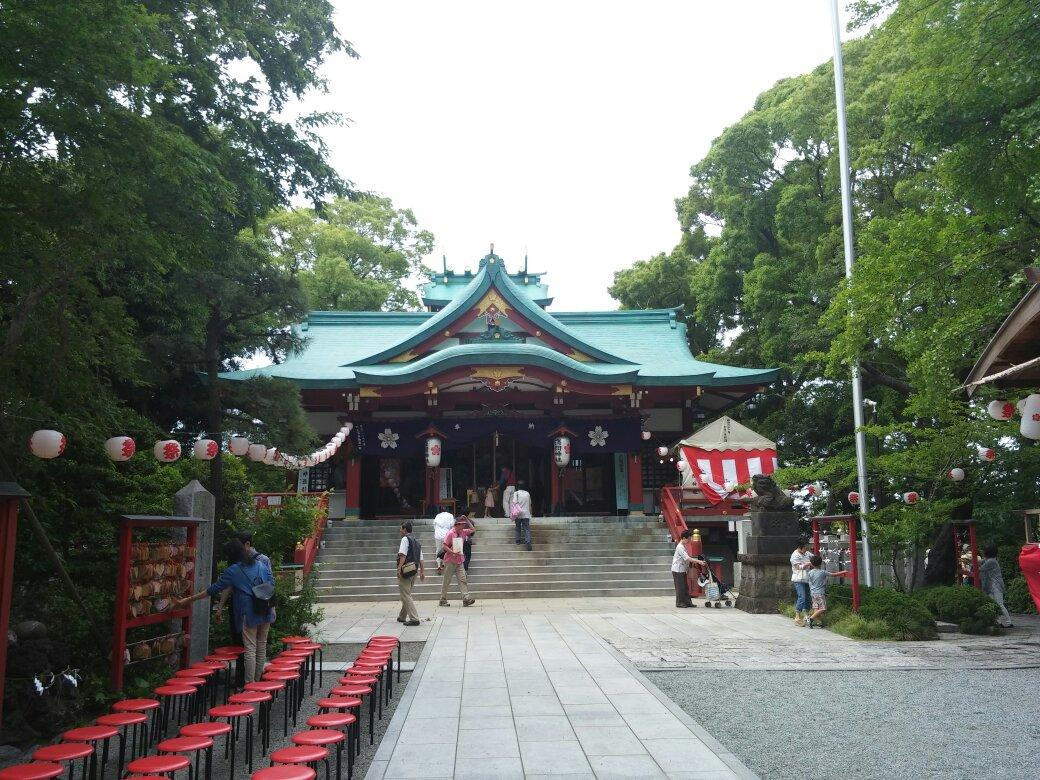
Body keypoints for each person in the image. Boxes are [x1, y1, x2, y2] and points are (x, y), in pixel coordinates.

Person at [174, 539, 275, 683]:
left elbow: (212, 590)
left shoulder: (233, 570)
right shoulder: (260, 564)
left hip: (249, 610)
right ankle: (258, 683)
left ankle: (250, 684)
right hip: (265, 607)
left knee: (250, 648)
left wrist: (187, 600)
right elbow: (271, 582)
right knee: (261, 645)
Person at [805, 554, 850, 628]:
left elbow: (809, 582)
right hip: (820, 593)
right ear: (821, 563)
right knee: (823, 608)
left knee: (816, 608)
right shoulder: (823, 572)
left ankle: (818, 623)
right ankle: (810, 619)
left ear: (812, 564)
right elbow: (834, 574)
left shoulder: (810, 572)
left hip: (813, 593)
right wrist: (843, 572)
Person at [440, 516, 476, 607]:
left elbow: (473, 529)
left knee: (463, 579)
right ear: (457, 524)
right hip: (450, 560)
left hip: (460, 560)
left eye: (464, 524)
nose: (464, 525)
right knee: (446, 580)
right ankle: (442, 599)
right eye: (462, 524)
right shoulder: (450, 533)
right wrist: (452, 552)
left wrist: (467, 519)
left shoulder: (463, 532)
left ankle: (466, 598)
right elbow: (444, 546)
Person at [396, 521, 425, 626]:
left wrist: (399, 569)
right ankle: (402, 616)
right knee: (407, 593)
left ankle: (414, 618)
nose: (400, 530)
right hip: (414, 570)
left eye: (401, 529)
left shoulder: (405, 539)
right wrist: (422, 571)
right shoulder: (416, 541)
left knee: (405, 594)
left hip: (406, 570)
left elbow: (402, 555)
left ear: (405, 530)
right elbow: (421, 559)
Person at [671, 530, 707, 608]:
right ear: (684, 538)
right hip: (678, 570)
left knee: (685, 586)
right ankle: (679, 603)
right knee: (680, 587)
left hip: (682, 569)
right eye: (688, 539)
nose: (689, 540)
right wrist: (699, 562)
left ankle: (687, 602)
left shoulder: (683, 546)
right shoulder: (680, 547)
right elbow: (687, 558)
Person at [980, 544, 1014, 628]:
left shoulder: (991, 561)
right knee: (994, 604)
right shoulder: (990, 560)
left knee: (999, 604)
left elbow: (981, 568)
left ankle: (1009, 622)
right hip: (991, 585)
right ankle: (998, 621)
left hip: (996, 585)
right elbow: (981, 562)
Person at [790, 539, 813, 627]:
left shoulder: (807, 553)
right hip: (798, 579)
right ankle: (797, 616)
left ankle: (806, 615)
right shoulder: (795, 555)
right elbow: (797, 567)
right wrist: (807, 564)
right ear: (801, 547)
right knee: (802, 597)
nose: (807, 548)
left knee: (807, 597)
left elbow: (813, 558)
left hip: (807, 578)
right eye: (805, 547)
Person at [511, 479, 533, 551]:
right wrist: (531, 514)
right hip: (526, 514)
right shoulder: (527, 493)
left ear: (518, 486)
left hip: (518, 514)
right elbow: (530, 505)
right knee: (527, 528)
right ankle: (528, 541)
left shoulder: (516, 493)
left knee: (518, 527)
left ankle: (518, 540)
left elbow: (514, 503)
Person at [433, 506, 455, 574]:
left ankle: (439, 565)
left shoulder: (437, 516)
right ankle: (444, 564)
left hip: (438, 535)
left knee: (438, 549)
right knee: (446, 550)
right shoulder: (450, 515)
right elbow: (452, 525)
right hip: (446, 535)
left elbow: (434, 525)